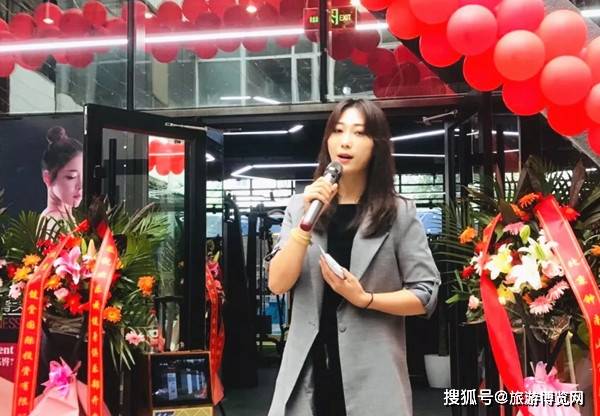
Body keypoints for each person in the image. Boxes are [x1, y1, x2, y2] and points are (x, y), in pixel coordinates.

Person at [267, 99, 441, 416]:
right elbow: (278, 283)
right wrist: (305, 223)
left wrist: (365, 299)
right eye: (338, 131)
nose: (345, 141)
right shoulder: (300, 205)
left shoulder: (398, 211)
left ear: (377, 145)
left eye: (359, 133)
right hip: (308, 375)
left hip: (374, 377)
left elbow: (425, 293)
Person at [40, 126, 83, 224]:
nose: (80, 186)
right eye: (71, 177)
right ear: (48, 178)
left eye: (84, 176)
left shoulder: (52, 216)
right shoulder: (58, 221)